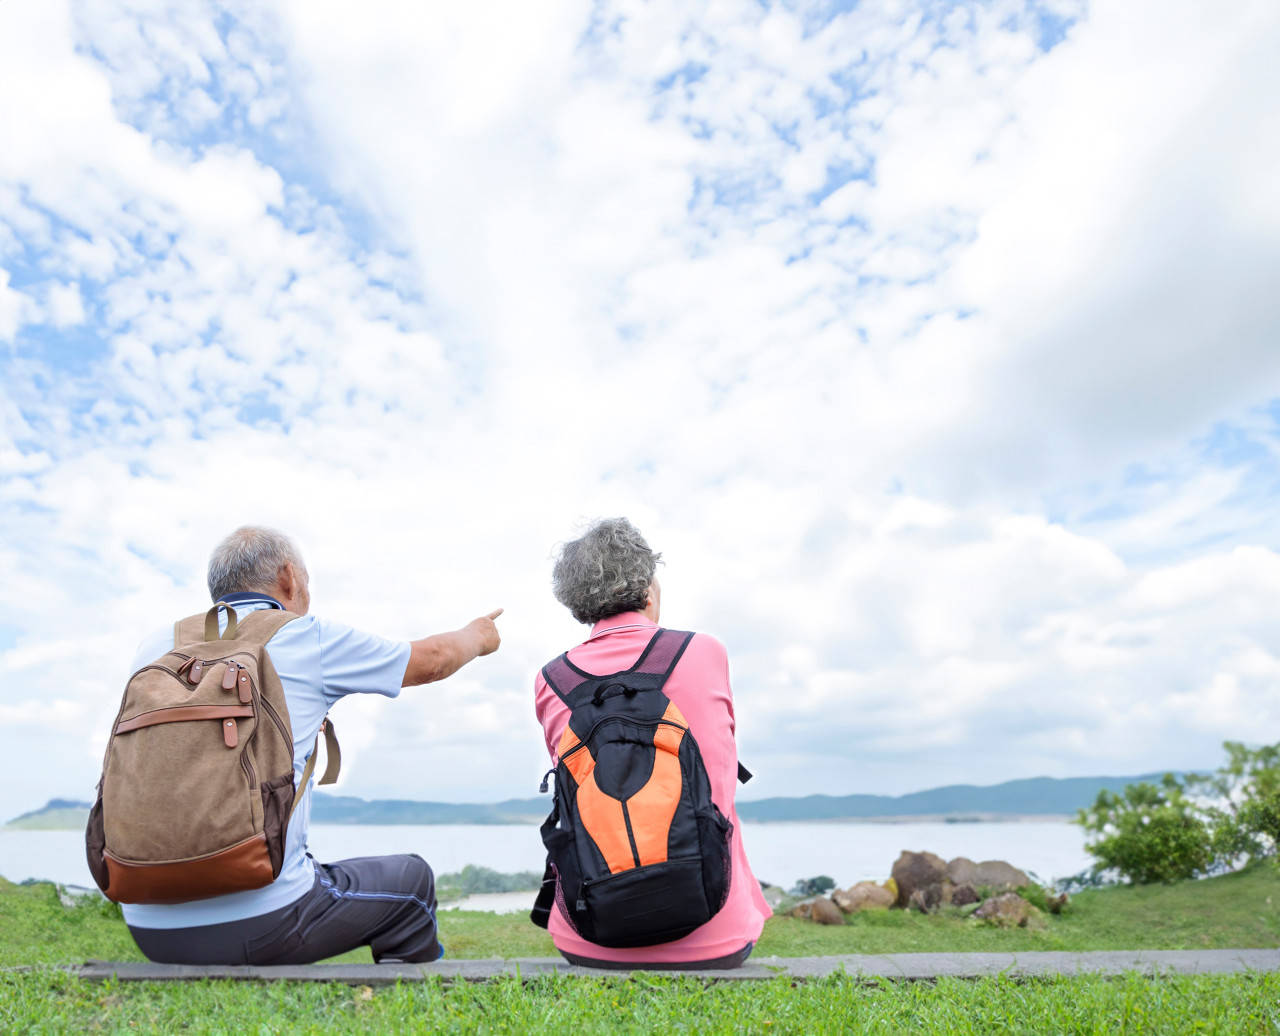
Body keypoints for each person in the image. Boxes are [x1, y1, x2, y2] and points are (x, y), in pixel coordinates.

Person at [121, 525, 502, 965]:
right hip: (266, 922)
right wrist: (478, 635)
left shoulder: (155, 647)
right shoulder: (305, 637)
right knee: (412, 881)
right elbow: (431, 661)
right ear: (290, 579)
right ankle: (410, 1001)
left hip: (149, 929)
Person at [533, 518, 771, 968]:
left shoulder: (551, 680)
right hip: (715, 937)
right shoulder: (705, 652)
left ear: (577, 603)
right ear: (647, 586)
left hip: (590, 939)